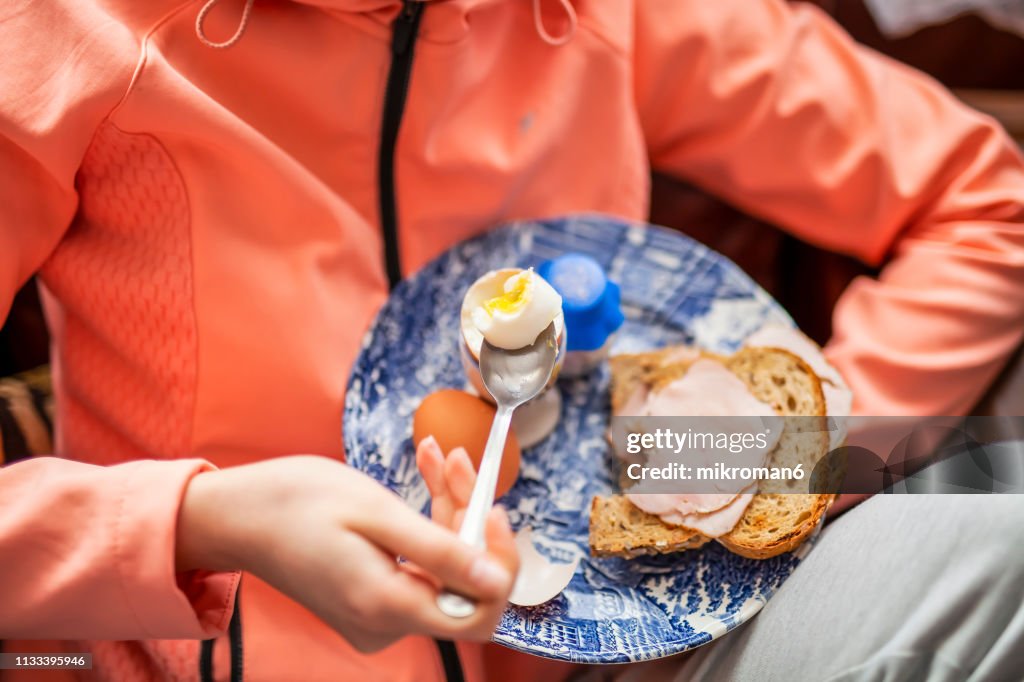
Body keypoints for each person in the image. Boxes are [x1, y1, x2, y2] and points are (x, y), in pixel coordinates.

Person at [1, 0, 1022, 680]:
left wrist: (788, 457)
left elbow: (984, 201)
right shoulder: (68, 35)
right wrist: (198, 522)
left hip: (626, 653)